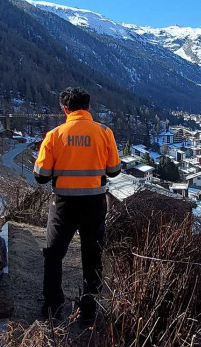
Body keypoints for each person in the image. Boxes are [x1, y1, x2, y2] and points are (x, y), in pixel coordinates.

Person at [33, 87, 121, 323]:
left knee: (53, 255)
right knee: (92, 258)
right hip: (94, 204)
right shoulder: (104, 132)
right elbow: (114, 170)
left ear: (65, 109)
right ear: (88, 107)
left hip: (63, 204)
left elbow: (40, 175)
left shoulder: (54, 135)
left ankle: (53, 307)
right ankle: (89, 311)